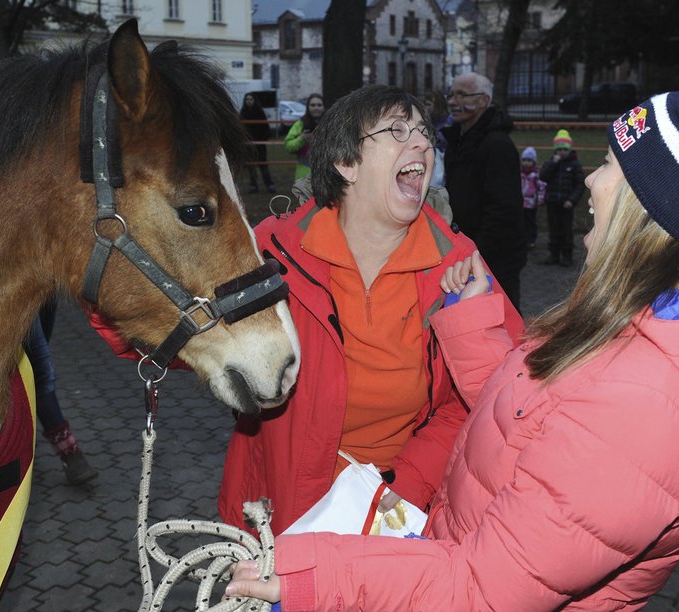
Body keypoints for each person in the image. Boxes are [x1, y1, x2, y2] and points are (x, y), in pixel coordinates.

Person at [225, 91, 679, 610]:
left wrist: (318, 577)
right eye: (395, 132)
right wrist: (474, 325)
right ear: (344, 163)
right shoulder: (630, 322)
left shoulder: (648, 412)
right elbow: (528, 419)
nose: (588, 179)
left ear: (648, 205)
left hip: (418, 571)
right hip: (402, 551)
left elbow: (484, 589)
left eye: (609, 164)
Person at [217, 85, 524, 535]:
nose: (422, 142)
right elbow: (175, 332)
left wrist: (404, 484)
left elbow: (498, 399)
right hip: (273, 510)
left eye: (424, 132)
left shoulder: (460, 264)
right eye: (398, 131)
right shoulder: (272, 250)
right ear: (346, 163)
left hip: (394, 516)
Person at [442, 71, 527, 311]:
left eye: (462, 95)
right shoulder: (457, 141)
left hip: (494, 255)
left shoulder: (497, 144)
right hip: (467, 250)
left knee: (501, 313)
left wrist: (477, 252)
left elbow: (503, 208)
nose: (452, 101)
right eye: (452, 94)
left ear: (483, 101)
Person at [24, 301, 98, 485]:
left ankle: (21, 437)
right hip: (6, 291)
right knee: (39, 368)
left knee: (38, 356)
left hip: (45, 288)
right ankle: (69, 452)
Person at [538, 128, 585, 266]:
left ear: (569, 149)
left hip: (566, 203)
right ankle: (554, 254)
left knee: (566, 230)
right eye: (559, 149)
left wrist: (572, 200)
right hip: (552, 202)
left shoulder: (574, 165)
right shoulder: (551, 163)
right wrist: (553, 163)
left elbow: (580, 184)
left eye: (564, 149)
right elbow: (543, 176)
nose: (562, 152)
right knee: (553, 229)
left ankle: (567, 256)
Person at [239, 93, 277, 194]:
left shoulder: (260, 112)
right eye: (247, 99)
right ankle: (253, 185)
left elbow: (266, 128)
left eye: (251, 99)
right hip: (248, 145)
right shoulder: (242, 113)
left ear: (254, 100)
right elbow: (240, 129)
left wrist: (263, 139)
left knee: (263, 165)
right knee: (251, 166)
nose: (249, 101)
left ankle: (269, 184)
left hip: (260, 144)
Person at [284, 93, 325, 180]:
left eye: (319, 105)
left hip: (326, 174)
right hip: (304, 174)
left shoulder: (331, 125)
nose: (316, 108)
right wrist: (302, 139)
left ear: (323, 107)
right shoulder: (300, 124)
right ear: (308, 107)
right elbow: (288, 146)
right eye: (313, 105)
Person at [520, 146, 545, 249]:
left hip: (531, 203)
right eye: (524, 160)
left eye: (529, 160)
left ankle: (531, 240)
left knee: (531, 222)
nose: (526, 163)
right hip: (521, 202)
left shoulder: (535, 175)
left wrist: (540, 198)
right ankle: (522, 239)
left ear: (533, 162)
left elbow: (541, 187)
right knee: (521, 222)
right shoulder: (519, 174)